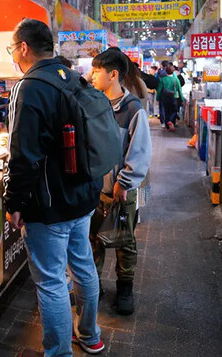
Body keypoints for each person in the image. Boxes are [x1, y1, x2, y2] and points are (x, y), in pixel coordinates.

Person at [4, 19, 105, 357]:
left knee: (50, 282)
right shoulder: (73, 77)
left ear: (23, 48)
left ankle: (59, 353)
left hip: (50, 205)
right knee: (83, 265)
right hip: (83, 195)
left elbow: (23, 153)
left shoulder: (28, 86)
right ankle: (90, 336)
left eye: (12, 49)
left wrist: (14, 200)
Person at [88, 49, 151, 316]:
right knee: (93, 239)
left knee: (124, 238)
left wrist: (124, 182)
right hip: (95, 188)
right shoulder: (94, 104)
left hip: (123, 189)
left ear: (113, 75)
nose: (91, 75)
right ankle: (94, 285)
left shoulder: (133, 110)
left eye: (96, 71)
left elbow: (139, 151)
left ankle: (125, 288)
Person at [157, 64, 183, 131]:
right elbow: (179, 90)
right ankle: (171, 121)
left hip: (164, 98)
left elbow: (159, 90)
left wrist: (157, 98)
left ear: (166, 71)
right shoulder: (176, 80)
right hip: (173, 97)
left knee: (166, 111)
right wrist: (182, 99)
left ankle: (167, 125)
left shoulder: (163, 79)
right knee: (174, 110)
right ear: (173, 71)